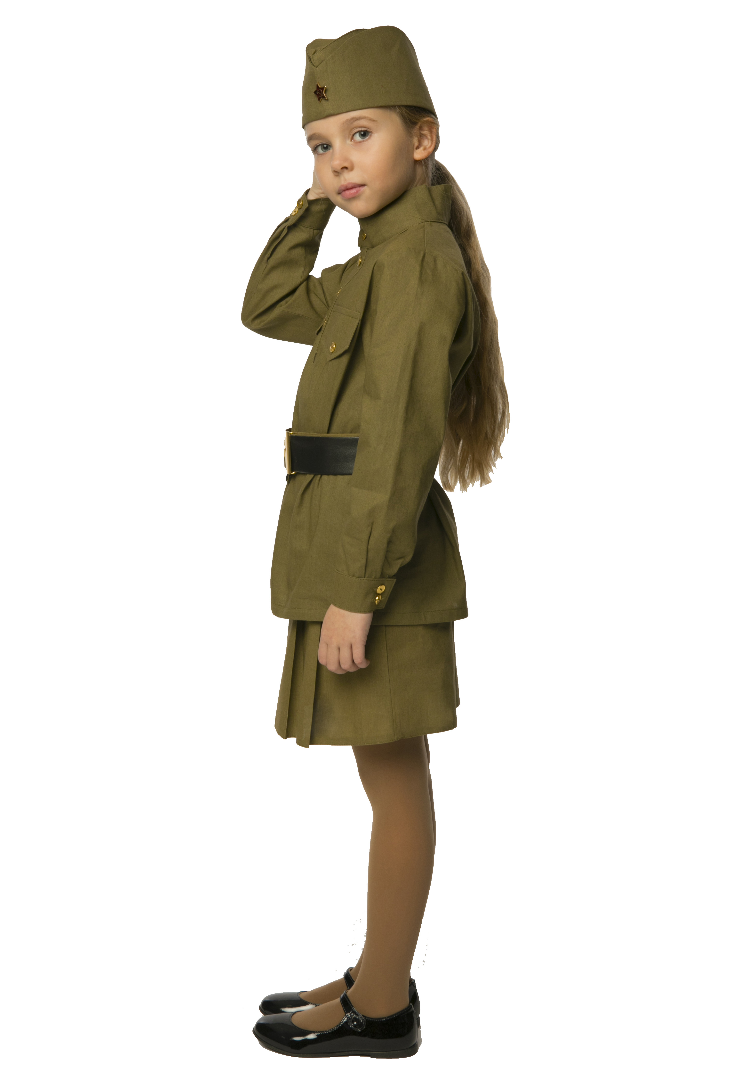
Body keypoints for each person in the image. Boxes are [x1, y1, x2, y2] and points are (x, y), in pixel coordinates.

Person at [242, 26, 509, 1058]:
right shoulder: (372, 263)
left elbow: (398, 439)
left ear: (422, 138)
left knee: (394, 778)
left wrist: (359, 589)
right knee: (383, 771)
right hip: (345, 545)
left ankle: (384, 1001)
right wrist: (312, 208)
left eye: (360, 134)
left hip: (376, 559)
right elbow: (267, 304)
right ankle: (375, 969)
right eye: (321, 145)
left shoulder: (417, 264)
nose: (339, 159)